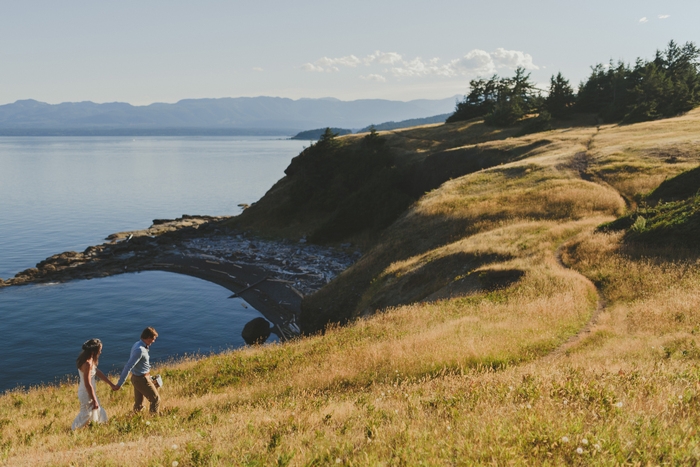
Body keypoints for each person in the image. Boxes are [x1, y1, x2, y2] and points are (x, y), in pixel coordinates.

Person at [71, 338, 118, 430]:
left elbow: (96, 371)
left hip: (87, 391)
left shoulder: (89, 360)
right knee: (86, 414)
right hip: (86, 392)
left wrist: (111, 384)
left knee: (96, 411)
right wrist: (94, 399)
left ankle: (96, 428)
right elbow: (88, 384)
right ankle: (74, 429)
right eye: (99, 350)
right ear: (94, 351)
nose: (100, 352)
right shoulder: (87, 363)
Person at [115, 327, 161, 413]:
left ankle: (136, 419)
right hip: (141, 380)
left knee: (139, 403)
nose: (153, 341)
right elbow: (128, 366)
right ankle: (154, 419)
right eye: (153, 339)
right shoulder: (139, 350)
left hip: (138, 378)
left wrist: (149, 377)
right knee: (156, 399)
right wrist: (119, 384)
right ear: (148, 337)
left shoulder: (137, 344)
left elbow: (140, 366)